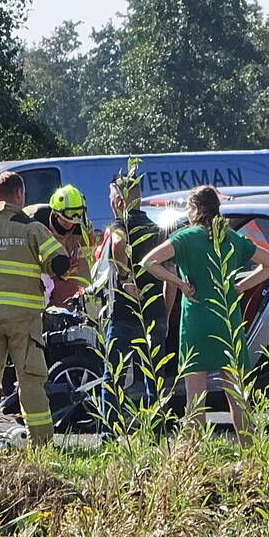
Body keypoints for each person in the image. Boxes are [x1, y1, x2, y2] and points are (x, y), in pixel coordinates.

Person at [141, 185, 269, 441]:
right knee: (237, 395)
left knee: (196, 397)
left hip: (196, 320)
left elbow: (148, 261)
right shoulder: (232, 238)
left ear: (194, 209)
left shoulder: (185, 237)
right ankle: (249, 452)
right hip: (227, 319)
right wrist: (240, 286)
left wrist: (181, 284)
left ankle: (192, 457)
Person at [0, 171, 71, 447]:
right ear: (20, 195)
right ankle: (41, 445)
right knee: (30, 381)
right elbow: (61, 265)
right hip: (24, 319)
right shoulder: (31, 228)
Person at [99, 172, 167, 440]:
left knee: (114, 375)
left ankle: (109, 435)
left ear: (118, 200)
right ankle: (156, 436)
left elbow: (118, 244)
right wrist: (164, 308)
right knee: (154, 376)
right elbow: (167, 274)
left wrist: (126, 278)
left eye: (109, 197)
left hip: (126, 313)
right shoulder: (155, 227)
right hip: (155, 310)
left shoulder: (119, 224)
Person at [24, 185, 93, 306]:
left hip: (67, 274)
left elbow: (88, 258)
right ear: (55, 213)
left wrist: (74, 266)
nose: (69, 225)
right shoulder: (35, 220)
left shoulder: (83, 227)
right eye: (65, 220)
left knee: (72, 301)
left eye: (74, 221)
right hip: (41, 272)